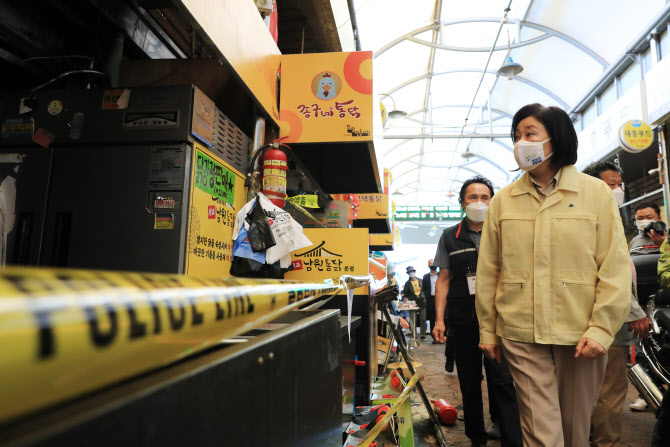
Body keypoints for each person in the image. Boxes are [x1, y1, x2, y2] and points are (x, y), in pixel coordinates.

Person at [476, 103, 631, 447]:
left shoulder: (595, 194)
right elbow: (489, 270)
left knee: (576, 429)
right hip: (520, 330)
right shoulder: (503, 201)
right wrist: (488, 329)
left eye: (529, 134)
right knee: (542, 432)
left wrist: (602, 327)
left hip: (580, 333)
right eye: (516, 136)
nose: (521, 143)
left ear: (556, 138)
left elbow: (615, 267)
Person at [432, 176, 522, 447]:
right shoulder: (450, 236)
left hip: (499, 321)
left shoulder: (505, 232)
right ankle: (477, 438)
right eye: (473, 197)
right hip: (463, 321)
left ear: (493, 202)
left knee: (503, 381)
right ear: (462, 202)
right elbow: (443, 279)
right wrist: (439, 320)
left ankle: (511, 438)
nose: (479, 202)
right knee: (469, 383)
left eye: (485, 197)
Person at [583, 160, 650, 446]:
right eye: (611, 184)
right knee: (608, 392)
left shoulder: (601, 217)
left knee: (590, 392)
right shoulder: (597, 220)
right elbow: (613, 271)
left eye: (619, 184)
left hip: (589, 320)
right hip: (608, 319)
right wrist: (634, 311)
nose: (618, 190)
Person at [402, 265, 427, 340]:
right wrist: (405, 305)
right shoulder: (407, 283)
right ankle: (414, 335)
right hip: (412, 303)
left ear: (415, 272)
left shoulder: (421, 281)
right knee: (413, 319)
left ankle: (423, 334)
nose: (411, 273)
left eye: (412, 271)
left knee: (423, 318)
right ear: (408, 273)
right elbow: (405, 294)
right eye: (409, 272)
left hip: (422, 302)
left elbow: (425, 290)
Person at [422, 259, 438, 339]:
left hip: (440, 299)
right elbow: (424, 289)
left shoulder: (440, 275)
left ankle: (443, 335)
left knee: (442, 317)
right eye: (430, 264)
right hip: (430, 299)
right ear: (428, 266)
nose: (432, 265)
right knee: (432, 318)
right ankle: (434, 337)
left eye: (433, 264)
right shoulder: (425, 277)